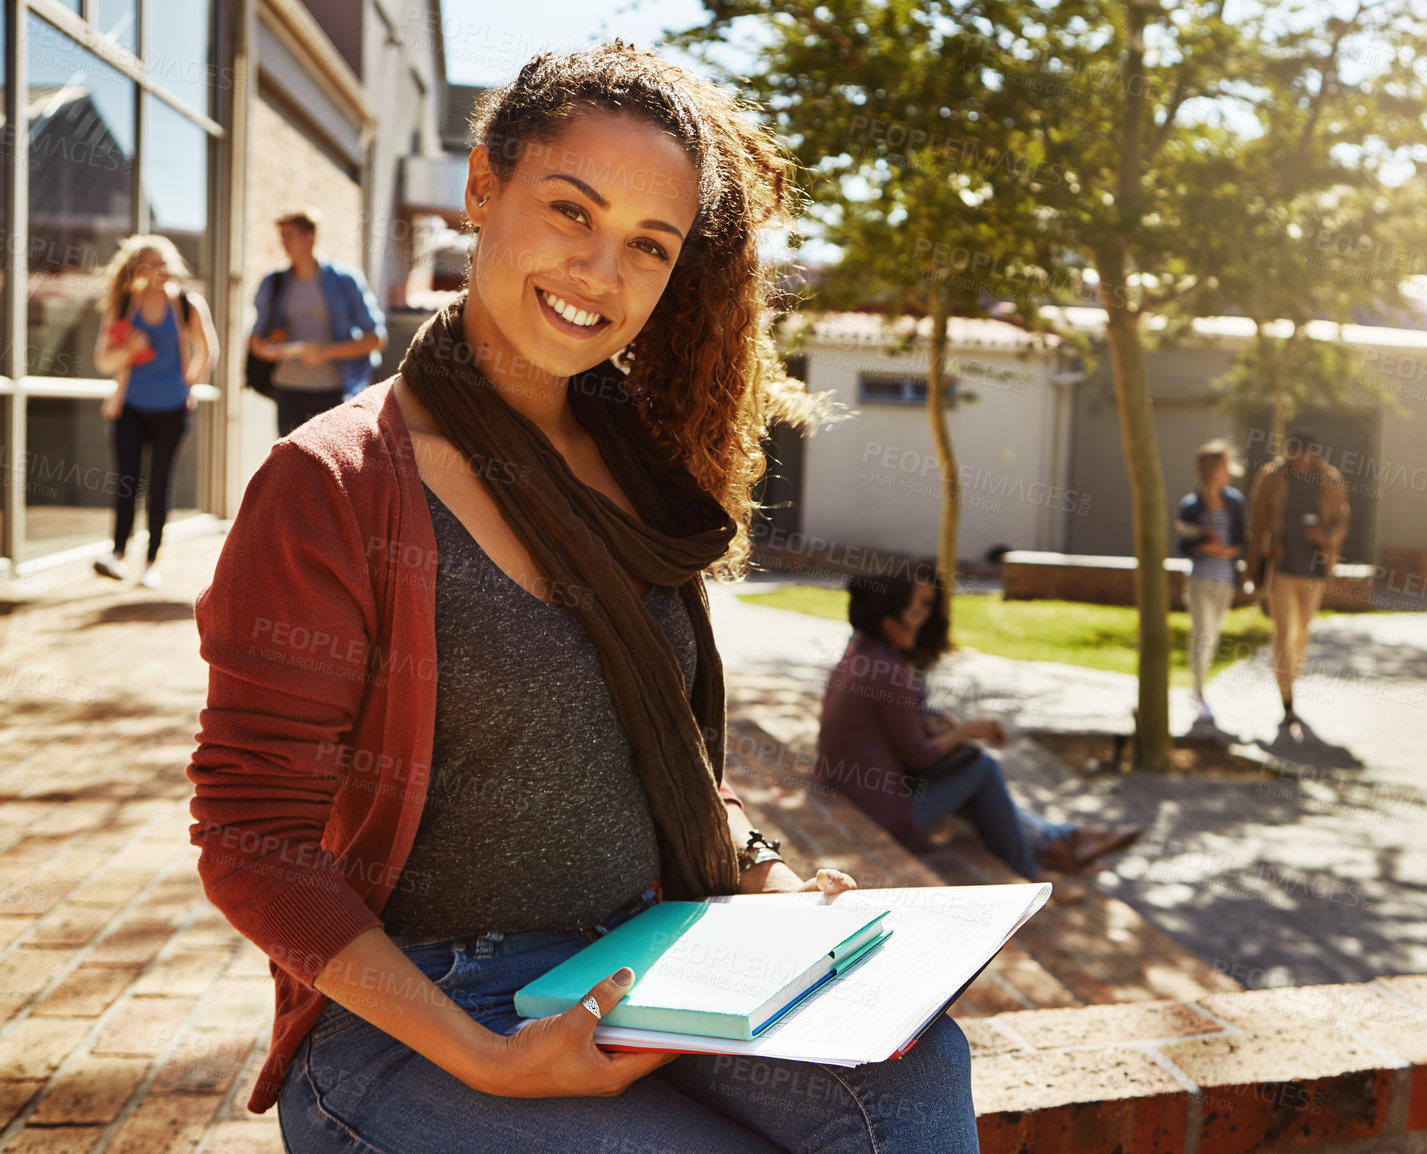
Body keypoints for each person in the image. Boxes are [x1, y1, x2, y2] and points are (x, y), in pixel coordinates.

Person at [187, 43, 977, 1154]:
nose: (601, 272)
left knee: (913, 1069)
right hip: (415, 1011)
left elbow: (658, 765)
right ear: (481, 187)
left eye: (646, 246)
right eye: (571, 210)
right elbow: (249, 835)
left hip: (639, 957)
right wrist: (488, 1056)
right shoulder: (334, 483)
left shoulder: (635, 464)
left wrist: (768, 879)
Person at [815, 570, 1144, 880]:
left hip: (854, 792)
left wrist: (937, 725)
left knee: (972, 775)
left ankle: (1060, 843)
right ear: (889, 623)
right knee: (982, 768)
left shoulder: (859, 655)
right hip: (881, 811)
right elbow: (918, 755)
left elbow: (896, 735)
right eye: (913, 612)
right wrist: (967, 730)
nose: (919, 620)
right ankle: (1035, 869)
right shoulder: (885, 671)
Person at [91, 235, 217, 589]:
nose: (161, 270)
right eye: (152, 263)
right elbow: (104, 361)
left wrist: (187, 387)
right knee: (126, 482)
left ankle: (151, 562)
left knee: (160, 485)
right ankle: (116, 554)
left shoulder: (189, 305)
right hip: (130, 407)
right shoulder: (124, 304)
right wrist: (129, 349)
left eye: (165, 263)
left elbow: (207, 350)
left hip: (171, 410)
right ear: (138, 268)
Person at [1244, 427, 1351, 730]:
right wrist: (1252, 569)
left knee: (1302, 631)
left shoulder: (1330, 478)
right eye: (1296, 453)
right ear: (1288, 452)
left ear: (1314, 454)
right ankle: (1287, 700)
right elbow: (1258, 522)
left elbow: (1342, 518)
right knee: (1281, 631)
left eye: (1308, 454)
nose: (1303, 460)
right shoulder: (1272, 477)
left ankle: (1291, 679)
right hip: (1281, 567)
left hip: (1314, 570)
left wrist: (1326, 536)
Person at [249, 206, 387, 437]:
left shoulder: (345, 280)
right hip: (287, 389)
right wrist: (267, 349)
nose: (283, 242)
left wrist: (324, 352)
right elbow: (256, 340)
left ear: (309, 236)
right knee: (289, 466)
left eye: (289, 235)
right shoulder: (273, 283)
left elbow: (377, 339)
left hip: (333, 391)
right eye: (281, 236)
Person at [1174, 440, 1247, 726]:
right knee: (1201, 632)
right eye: (1223, 465)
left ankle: (1197, 686)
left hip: (1225, 578)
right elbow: (1184, 544)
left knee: (1212, 634)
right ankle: (1198, 690)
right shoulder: (1191, 504)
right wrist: (1205, 547)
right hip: (1201, 578)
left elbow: (1241, 539)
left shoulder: (1235, 501)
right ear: (1212, 468)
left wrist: (1228, 551)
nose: (1228, 470)